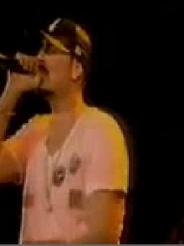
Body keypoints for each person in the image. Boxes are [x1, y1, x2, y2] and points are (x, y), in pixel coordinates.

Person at [0, 17, 129, 243]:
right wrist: (11, 92)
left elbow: (102, 233)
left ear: (76, 68)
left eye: (51, 50)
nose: (40, 58)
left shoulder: (102, 130)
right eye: (41, 49)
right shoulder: (34, 130)